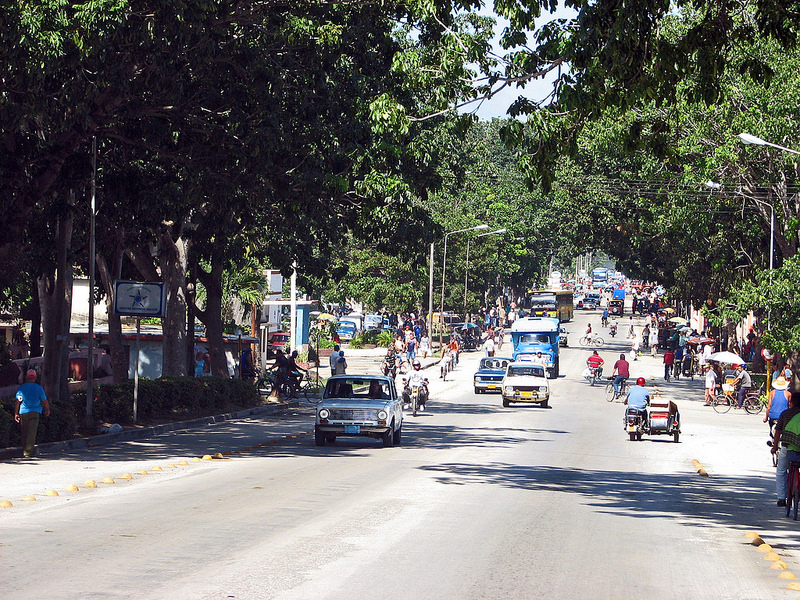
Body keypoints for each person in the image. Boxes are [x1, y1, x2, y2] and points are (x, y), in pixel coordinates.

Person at [771, 394, 800, 507]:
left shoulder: (786, 414)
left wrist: (774, 447)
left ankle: (781, 498)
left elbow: (777, 432)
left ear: (791, 403)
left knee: (782, 470)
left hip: (787, 448)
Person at [14, 369, 50, 458]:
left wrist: (16, 413)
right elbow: (44, 401)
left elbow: (18, 402)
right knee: (31, 433)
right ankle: (27, 452)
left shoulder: (21, 388)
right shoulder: (39, 388)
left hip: (23, 412)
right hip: (35, 412)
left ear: (26, 377)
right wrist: (47, 409)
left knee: (24, 432)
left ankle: (24, 449)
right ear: (35, 377)